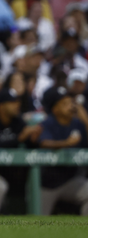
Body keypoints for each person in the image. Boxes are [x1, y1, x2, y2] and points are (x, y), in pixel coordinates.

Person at [0, 88, 42, 215]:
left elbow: (27, 144)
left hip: (4, 168)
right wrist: (19, 138)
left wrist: (33, 139)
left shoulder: (18, 121)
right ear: (1, 106)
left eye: (17, 102)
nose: (17, 105)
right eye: (12, 102)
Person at [39, 88, 88, 216]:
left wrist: (84, 116)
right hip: (47, 184)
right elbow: (44, 143)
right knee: (38, 221)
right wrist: (66, 143)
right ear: (55, 109)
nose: (71, 107)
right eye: (65, 104)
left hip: (71, 180)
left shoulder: (77, 124)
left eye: (71, 103)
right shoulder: (47, 123)